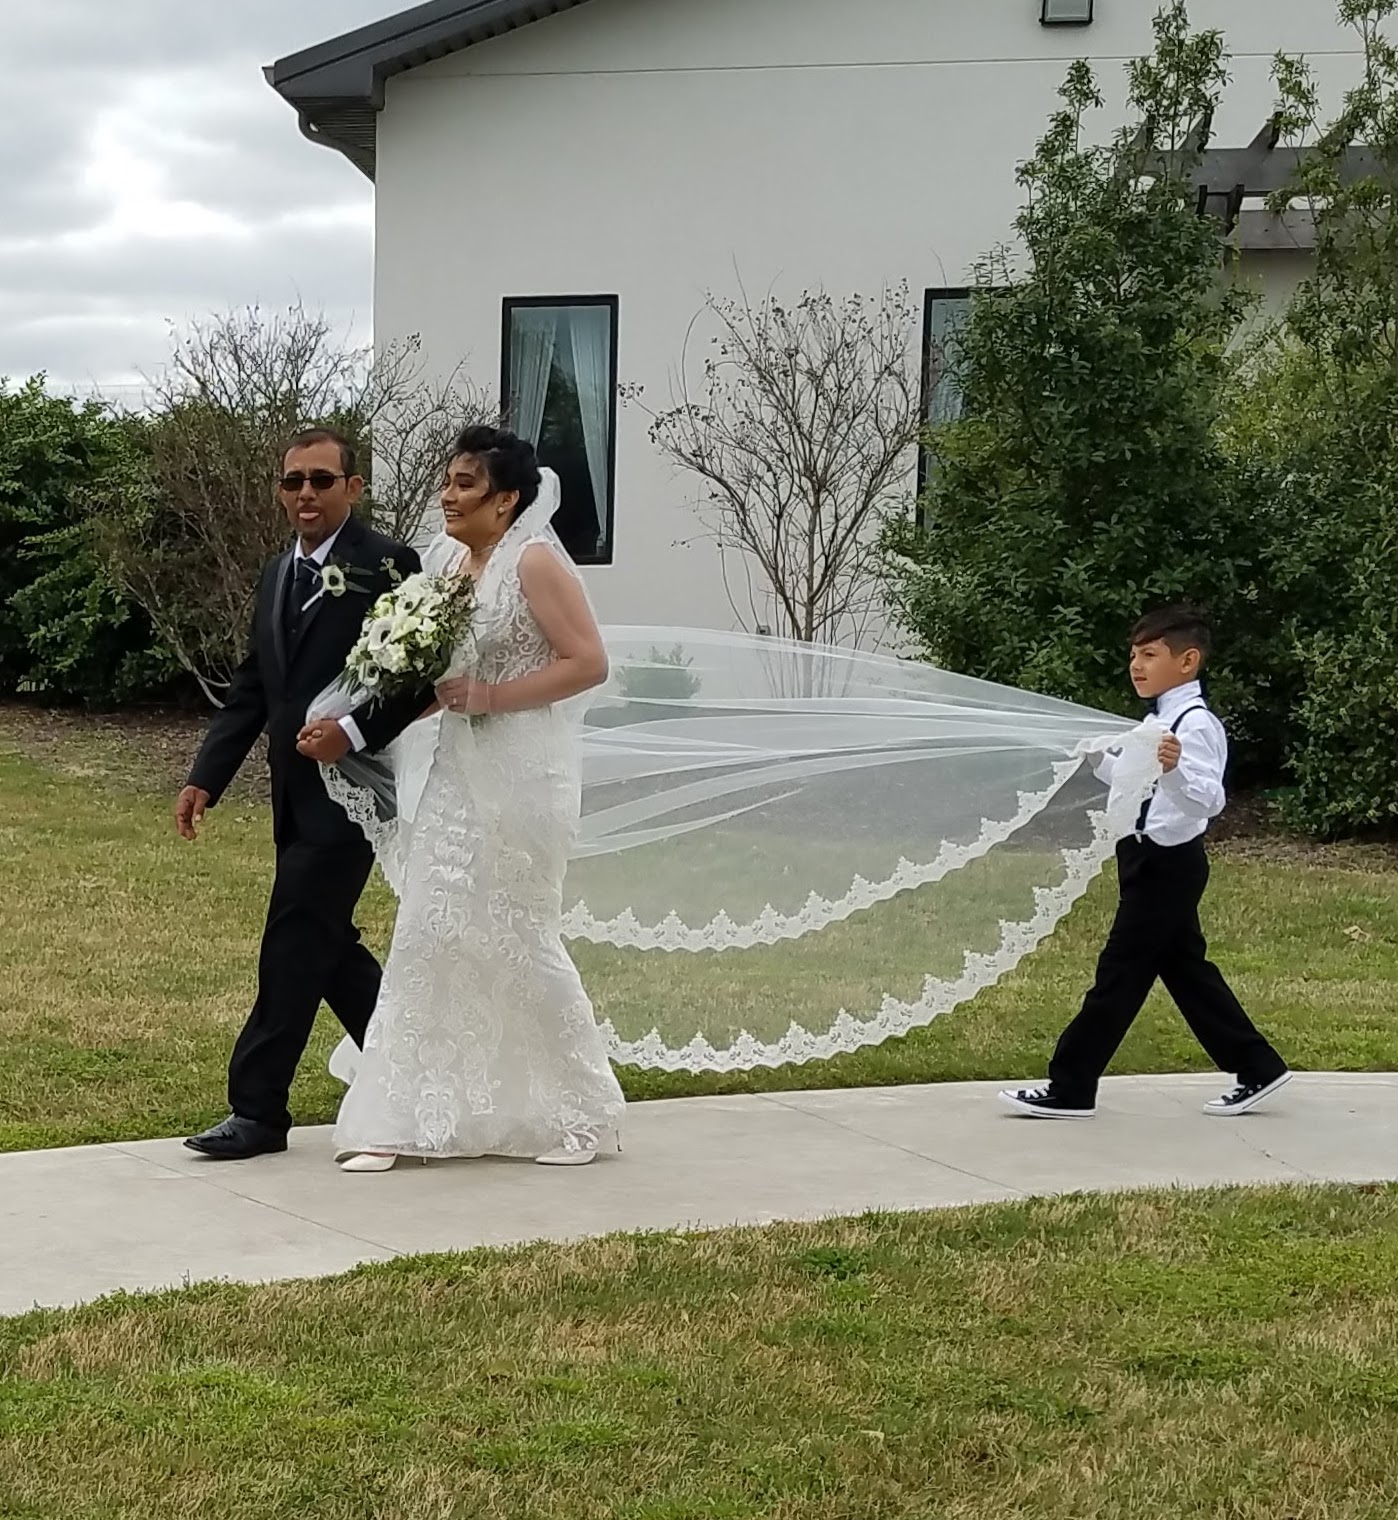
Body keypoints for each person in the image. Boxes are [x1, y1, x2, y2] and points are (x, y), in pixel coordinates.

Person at [298, 426, 625, 1171]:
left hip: (524, 775)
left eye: (466, 484)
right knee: (428, 929)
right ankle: (390, 1120)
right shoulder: (446, 562)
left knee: (519, 937)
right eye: (448, 480)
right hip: (456, 770)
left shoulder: (533, 564)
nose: (447, 495)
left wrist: (493, 695)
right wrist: (352, 729)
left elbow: (588, 663)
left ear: (507, 499)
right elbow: (427, 678)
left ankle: (582, 1114)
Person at [177, 429, 427, 1161]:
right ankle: (410, 1073)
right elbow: (255, 686)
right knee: (327, 945)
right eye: (293, 482)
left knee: (292, 941)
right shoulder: (273, 574)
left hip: (353, 791)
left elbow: (416, 681)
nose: (306, 494)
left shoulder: (387, 565)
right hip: (292, 793)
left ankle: (257, 1112)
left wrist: (351, 731)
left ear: (353, 487)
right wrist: (205, 777)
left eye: (322, 479)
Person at [1000, 606, 1290, 1120]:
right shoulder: (1157, 720)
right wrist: (1096, 760)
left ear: (1188, 661)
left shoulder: (1195, 725)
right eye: (1134, 654)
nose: (1136, 665)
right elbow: (1137, 784)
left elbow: (1208, 800)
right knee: (1186, 971)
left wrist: (1173, 767)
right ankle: (1259, 1066)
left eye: (1150, 654)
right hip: (1142, 858)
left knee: (1120, 973)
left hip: (1168, 863)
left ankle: (1071, 1086)